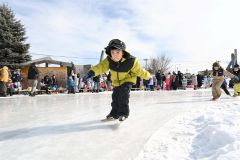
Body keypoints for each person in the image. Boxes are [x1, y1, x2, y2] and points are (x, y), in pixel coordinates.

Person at [83, 39, 151, 121]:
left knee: (123, 95)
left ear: (123, 52)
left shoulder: (131, 61)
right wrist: (91, 72)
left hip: (127, 79)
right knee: (115, 97)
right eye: (112, 52)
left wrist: (148, 77)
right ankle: (114, 114)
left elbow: (140, 71)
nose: (115, 55)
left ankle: (123, 113)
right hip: (116, 81)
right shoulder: (109, 60)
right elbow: (100, 67)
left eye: (118, 52)